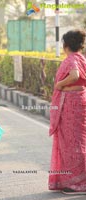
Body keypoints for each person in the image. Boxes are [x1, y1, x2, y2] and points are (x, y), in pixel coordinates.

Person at [49, 29, 86, 195]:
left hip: (71, 103)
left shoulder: (72, 59)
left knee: (72, 143)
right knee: (78, 141)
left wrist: (60, 85)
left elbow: (74, 75)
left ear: (65, 45)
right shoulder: (82, 58)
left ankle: (76, 183)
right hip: (80, 99)